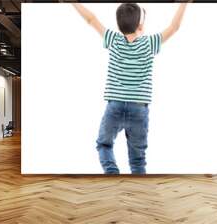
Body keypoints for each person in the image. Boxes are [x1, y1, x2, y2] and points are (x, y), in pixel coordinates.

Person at [72, 3, 188, 174]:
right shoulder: (150, 43)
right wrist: (184, 3)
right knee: (138, 158)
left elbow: (91, 19)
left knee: (104, 144)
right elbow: (174, 26)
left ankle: (112, 174)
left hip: (115, 107)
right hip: (139, 108)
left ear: (118, 26)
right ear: (140, 25)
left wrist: (73, 2)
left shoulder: (113, 39)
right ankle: (138, 192)